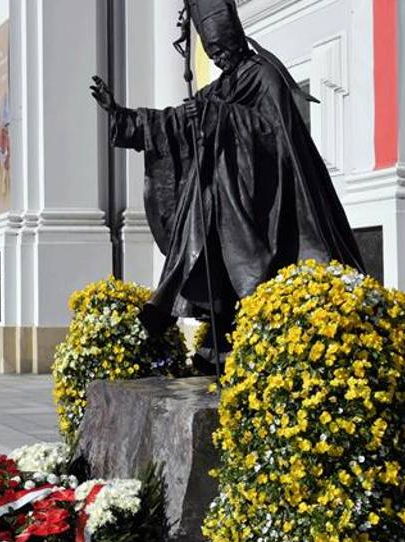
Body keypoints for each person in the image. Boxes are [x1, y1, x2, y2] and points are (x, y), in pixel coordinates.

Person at [90, 0, 365, 373]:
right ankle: (212, 328)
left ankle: (176, 309)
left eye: (222, 49)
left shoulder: (263, 75)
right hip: (225, 204)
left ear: (236, 37)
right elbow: (174, 123)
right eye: (212, 52)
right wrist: (123, 115)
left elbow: (276, 135)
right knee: (199, 211)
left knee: (214, 216)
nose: (219, 58)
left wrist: (219, 115)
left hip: (269, 200)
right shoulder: (219, 86)